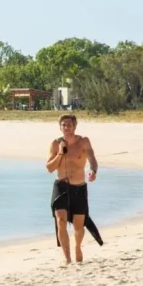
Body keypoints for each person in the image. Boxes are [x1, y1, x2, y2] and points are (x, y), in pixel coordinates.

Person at [45, 113, 103, 264]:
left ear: (74, 126)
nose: (66, 128)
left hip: (79, 187)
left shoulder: (83, 142)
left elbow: (92, 160)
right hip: (61, 186)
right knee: (61, 221)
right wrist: (59, 153)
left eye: (69, 125)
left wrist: (93, 171)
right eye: (63, 125)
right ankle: (67, 257)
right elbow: (50, 168)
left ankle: (77, 247)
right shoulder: (56, 144)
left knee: (78, 227)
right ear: (60, 127)